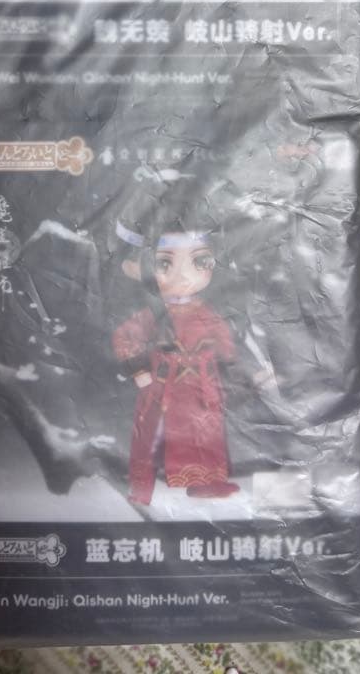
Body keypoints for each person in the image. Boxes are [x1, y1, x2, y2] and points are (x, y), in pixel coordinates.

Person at [111, 179, 242, 504]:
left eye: (200, 261)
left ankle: (207, 480)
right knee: (152, 435)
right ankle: (141, 488)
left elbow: (224, 343)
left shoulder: (208, 313)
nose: (184, 275)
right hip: (163, 383)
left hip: (202, 385)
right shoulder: (153, 314)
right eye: (165, 263)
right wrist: (138, 369)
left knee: (206, 430)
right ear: (139, 267)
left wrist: (230, 368)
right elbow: (126, 336)